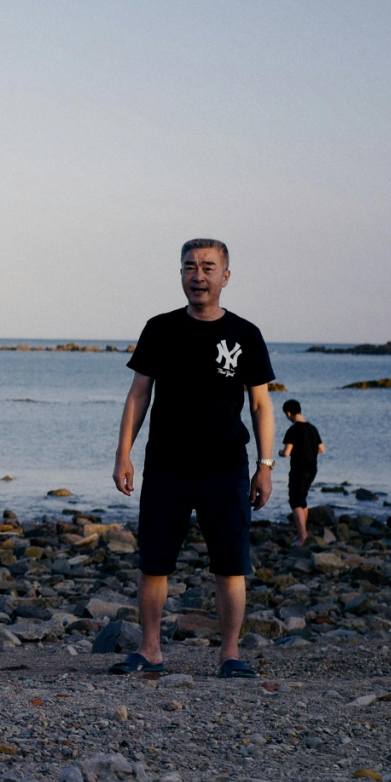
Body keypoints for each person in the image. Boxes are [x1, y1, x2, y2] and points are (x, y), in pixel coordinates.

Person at [111, 239, 276, 679]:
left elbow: (261, 405)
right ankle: (149, 650)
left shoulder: (245, 334)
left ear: (225, 275)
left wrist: (266, 465)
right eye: (189, 267)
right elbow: (138, 395)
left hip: (226, 467)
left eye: (207, 267)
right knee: (154, 561)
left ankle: (230, 654)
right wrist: (122, 454)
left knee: (231, 563)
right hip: (166, 466)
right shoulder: (160, 328)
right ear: (181, 274)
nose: (197, 276)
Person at [280, 399, 325, 546]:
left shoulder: (293, 430)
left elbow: (287, 452)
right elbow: (321, 449)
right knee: (302, 499)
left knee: (295, 500)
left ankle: (302, 537)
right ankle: (303, 532)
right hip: (312, 469)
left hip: (298, 469)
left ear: (288, 413)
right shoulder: (312, 428)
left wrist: (280, 452)